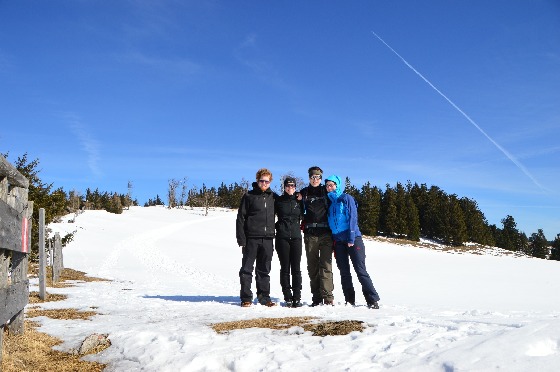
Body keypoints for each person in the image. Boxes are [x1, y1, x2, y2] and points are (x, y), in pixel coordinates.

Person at [324, 175, 380, 309]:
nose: (329, 187)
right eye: (327, 186)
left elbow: (353, 218)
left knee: (360, 270)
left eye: (332, 185)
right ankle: (349, 300)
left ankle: (372, 299)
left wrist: (351, 237)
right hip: (338, 242)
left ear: (337, 185)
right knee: (344, 272)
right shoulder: (330, 204)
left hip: (353, 240)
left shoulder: (346, 198)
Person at [236, 168, 277, 307]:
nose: (264, 183)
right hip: (251, 238)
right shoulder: (249, 196)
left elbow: (285, 205)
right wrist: (241, 239)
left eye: (267, 181)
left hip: (267, 239)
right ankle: (246, 298)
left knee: (264, 270)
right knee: (247, 269)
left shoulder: (273, 197)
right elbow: (241, 218)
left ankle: (264, 297)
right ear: (257, 180)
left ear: (270, 182)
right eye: (261, 180)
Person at [299, 166, 335, 306]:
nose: (315, 179)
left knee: (326, 266)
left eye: (318, 177)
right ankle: (316, 297)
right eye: (313, 177)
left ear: (321, 178)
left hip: (326, 234)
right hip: (310, 235)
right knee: (312, 267)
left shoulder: (326, 192)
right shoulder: (304, 192)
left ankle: (328, 297)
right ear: (309, 178)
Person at [274, 176, 303, 308]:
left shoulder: (299, 201)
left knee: (296, 269)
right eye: (288, 186)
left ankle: (297, 297)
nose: (290, 188)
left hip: (296, 237)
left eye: (292, 186)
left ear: (295, 187)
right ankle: (287, 296)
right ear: (284, 187)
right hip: (282, 238)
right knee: (285, 268)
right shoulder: (279, 201)